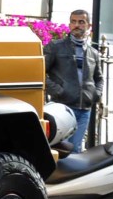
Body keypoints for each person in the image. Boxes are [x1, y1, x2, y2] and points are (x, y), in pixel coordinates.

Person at [44, 8, 102, 151]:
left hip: (84, 110)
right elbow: (39, 72)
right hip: (63, 107)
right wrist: (59, 91)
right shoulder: (55, 47)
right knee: (60, 149)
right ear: (69, 25)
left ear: (88, 26)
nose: (77, 25)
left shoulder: (93, 53)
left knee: (76, 150)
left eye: (81, 22)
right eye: (73, 22)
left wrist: (96, 94)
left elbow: (99, 78)